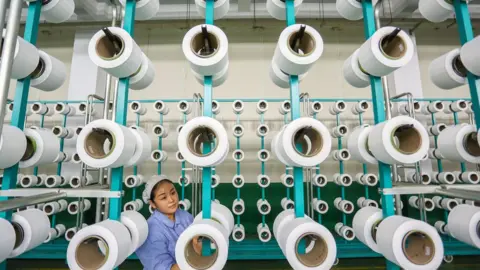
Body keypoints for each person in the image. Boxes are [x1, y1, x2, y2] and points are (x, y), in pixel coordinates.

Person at [136, 175, 200, 270]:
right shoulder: (150, 232)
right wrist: (195, 257)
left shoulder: (185, 216)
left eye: (173, 193)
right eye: (163, 198)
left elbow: (198, 240)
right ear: (152, 204)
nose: (171, 200)